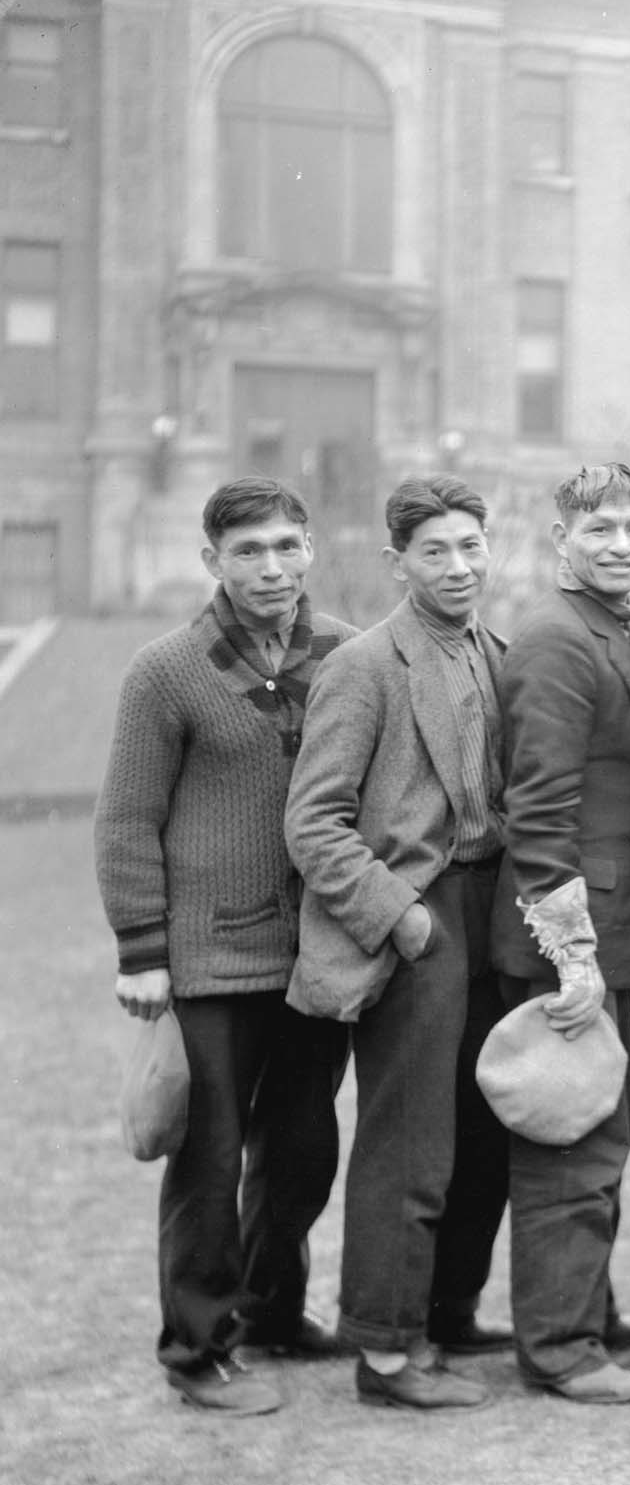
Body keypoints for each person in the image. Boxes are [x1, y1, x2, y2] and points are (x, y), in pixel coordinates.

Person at [93, 477, 356, 1415]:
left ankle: (274, 1310)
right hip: (206, 962)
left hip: (315, 958)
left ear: (311, 548)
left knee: (301, 1150)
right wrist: (141, 951)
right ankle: (197, 1349)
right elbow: (127, 818)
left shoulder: (348, 655)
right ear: (212, 561)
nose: (272, 566)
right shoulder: (165, 670)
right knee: (206, 1161)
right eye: (248, 551)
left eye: (288, 546)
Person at [286, 475, 514, 1408]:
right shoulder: (365, 665)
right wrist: (403, 915)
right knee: (410, 1141)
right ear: (397, 563)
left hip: (492, 915)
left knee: (486, 1129)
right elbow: (314, 823)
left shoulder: (497, 651)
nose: (458, 567)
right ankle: (385, 1350)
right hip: (416, 928)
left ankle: (447, 1312)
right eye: (435, 551)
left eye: (470, 547)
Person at [487, 463, 630, 1405]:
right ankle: (559, 1345)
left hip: (605, 933)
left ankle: (584, 1308)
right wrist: (572, 952)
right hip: (567, 944)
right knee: (571, 1139)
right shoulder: (561, 641)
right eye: (600, 528)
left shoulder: (608, 628)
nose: (622, 545)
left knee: (607, 1124)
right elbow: (541, 811)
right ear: (561, 537)